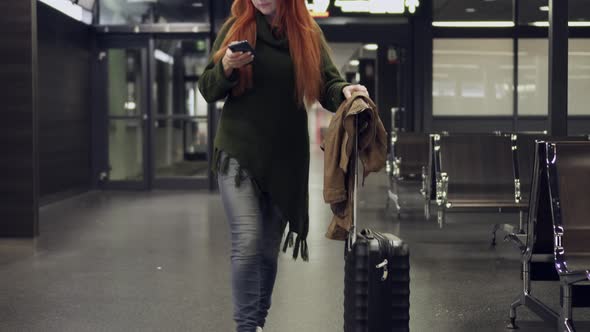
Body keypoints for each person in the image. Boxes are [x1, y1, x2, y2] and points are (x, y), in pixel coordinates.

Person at [198, 0, 368, 331]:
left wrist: (345, 90)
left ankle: (256, 322)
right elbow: (208, 88)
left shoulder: (306, 33)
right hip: (239, 152)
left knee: (266, 250)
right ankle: (247, 327)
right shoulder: (236, 29)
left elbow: (327, 84)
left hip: (285, 159)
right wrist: (227, 67)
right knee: (247, 241)